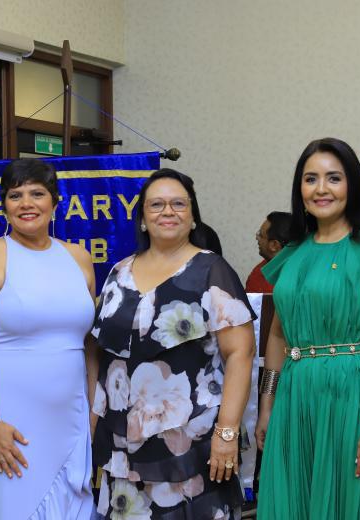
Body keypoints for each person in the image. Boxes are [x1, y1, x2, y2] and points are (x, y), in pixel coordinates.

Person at [255, 138, 360, 519]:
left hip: (356, 396)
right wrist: (267, 405)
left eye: (333, 178)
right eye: (310, 179)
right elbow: (277, 334)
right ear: (300, 189)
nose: (321, 188)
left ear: (352, 185)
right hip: (297, 400)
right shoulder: (293, 252)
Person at [90, 168, 257, 519]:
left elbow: (240, 354)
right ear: (142, 219)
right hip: (122, 447)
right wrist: (93, 424)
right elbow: (100, 352)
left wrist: (227, 432)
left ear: (193, 216)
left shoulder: (212, 271)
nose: (168, 211)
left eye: (178, 204)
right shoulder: (118, 273)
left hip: (192, 445)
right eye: (157, 205)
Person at [0, 159, 96, 519]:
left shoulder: (79, 258)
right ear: (4, 205)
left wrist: (94, 411)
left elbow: (89, 345)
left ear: (55, 202)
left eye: (37, 193)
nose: (26, 203)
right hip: (10, 421)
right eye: (15, 195)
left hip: (72, 417)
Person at [245, 211, 291, 293]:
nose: (257, 238)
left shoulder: (295, 278)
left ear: (274, 245)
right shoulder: (260, 269)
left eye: (261, 235)